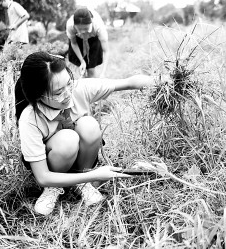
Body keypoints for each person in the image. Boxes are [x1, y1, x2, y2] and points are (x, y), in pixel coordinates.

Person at [15, 52, 153, 215]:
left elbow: (128, 82)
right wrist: (96, 175)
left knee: (89, 125)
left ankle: (82, 181)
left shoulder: (79, 89)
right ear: (38, 95)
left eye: (69, 83)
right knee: (68, 139)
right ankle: (53, 188)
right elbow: (42, 176)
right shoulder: (30, 118)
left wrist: (165, 81)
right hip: (53, 166)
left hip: (83, 161)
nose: (67, 93)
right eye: (58, 92)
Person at [66, 7, 109, 78]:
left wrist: (103, 73)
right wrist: (82, 61)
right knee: (79, 68)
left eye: (86, 28)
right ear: (74, 25)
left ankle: (91, 85)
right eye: (79, 29)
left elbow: (106, 51)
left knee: (91, 68)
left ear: (91, 22)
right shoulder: (70, 25)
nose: (83, 31)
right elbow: (74, 43)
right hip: (78, 39)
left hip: (93, 38)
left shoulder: (98, 26)